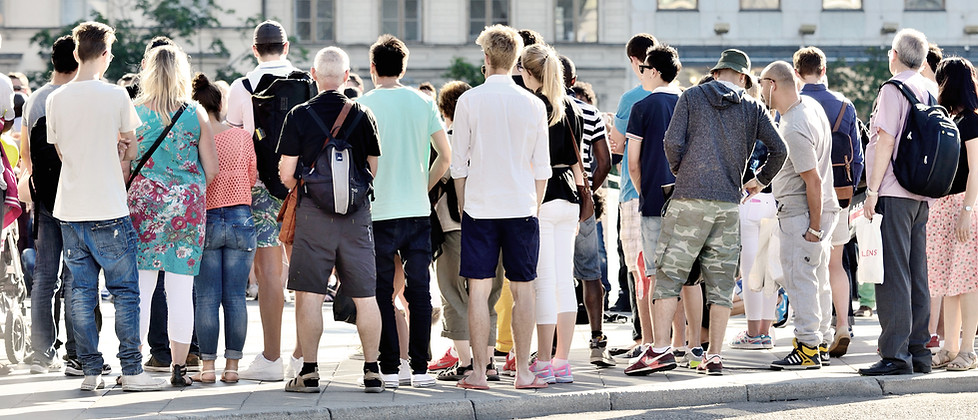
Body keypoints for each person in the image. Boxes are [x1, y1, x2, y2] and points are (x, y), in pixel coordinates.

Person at [641, 49, 786, 376]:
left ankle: (661, 349)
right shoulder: (753, 107)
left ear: (718, 72)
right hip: (728, 203)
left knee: (668, 276)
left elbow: (671, 142)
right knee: (720, 285)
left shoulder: (691, 96)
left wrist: (682, 170)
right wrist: (757, 181)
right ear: (744, 78)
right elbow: (780, 150)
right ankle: (714, 356)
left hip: (688, 199)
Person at [46, 21, 164, 391]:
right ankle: (131, 369)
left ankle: (92, 370)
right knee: (125, 291)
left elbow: (62, 151)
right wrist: (116, 148)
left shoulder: (55, 97)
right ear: (105, 55)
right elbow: (130, 144)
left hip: (70, 207)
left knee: (80, 293)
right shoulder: (115, 96)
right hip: (109, 205)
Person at [277, 46, 385, 393]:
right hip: (356, 217)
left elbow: (287, 172)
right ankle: (372, 370)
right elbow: (373, 169)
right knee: (365, 295)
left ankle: (308, 372)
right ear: (345, 76)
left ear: (313, 75)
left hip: (313, 215)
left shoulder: (298, 114)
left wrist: (311, 190)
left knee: (309, 295)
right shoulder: (363, 113)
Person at [451, 24, 550, 390]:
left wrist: (463, 201)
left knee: (478, 290)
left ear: (487, 59)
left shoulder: (469, 101)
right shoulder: (533, 103)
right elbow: (542, 167)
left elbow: (458, 163)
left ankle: (480, 371)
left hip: (479, 206)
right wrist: (534, 206)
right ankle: (523, 371)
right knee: (525, 289)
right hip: (522, 206)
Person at [355, 34, 449, 388]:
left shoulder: (362, 104)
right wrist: (422, 184)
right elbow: (446, 155)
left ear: (373, 67)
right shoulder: (422, 102)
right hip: (415, 209)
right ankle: (421, 368)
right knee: (419, 290)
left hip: (377, 210)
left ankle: (391, 367)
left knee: (381, 291)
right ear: (405, 67)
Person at [127, 44, 218, 387]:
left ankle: (132, 366)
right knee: (181, 289)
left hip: (144, 206)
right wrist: (186, 186)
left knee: (141, 287)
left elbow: (125, 165)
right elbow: (212, 168)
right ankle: (180, 369)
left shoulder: (134, 112)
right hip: (186, 207)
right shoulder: (195, 113)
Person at [227, 20, 302, 381]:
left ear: (255, 49)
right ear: (286, 47)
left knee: (270, 273)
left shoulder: (242, 87)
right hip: (303, 187)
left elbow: (239, 140)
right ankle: (303, 355)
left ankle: (272, 358)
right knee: (307, 269)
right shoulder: (308, 81)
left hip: (260, 188)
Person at [859, 28, 935, 377]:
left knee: (892, 274)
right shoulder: (928, 88)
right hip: (920, 192)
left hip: (892, 189)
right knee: (917, 272)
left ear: (895, 54)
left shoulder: (893, 89)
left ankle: (895, 354)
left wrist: (871, 190)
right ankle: (920, 351)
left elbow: (885, 140)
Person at [620, 44, 698, 374]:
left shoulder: (642, 106)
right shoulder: (690, 103)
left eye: (643, 70)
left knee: (656, 276)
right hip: (690, 200)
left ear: (652, 71)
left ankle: (659, 347)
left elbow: (633, 162)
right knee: (690, 279)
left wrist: (644, 193)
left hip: (654, 201)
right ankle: (693, 346)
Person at [760, 61, 840, 370]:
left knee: (801, 278)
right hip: (820, 208)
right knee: (816, 278)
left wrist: (814, 229)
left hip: (803, 213)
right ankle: (818, 342)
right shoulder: (811, 106)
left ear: (774, 85)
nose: (761, 90)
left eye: (762, 83)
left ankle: (807, 347)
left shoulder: (793, 125)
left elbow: (812, 180)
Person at [429, 81, 507, 381]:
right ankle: (487, 363)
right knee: (487, 294)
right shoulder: (492, 139)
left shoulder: (447, 141)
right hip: (494, 223)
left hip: (453, 227)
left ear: (445, 110)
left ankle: (464, 364)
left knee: (454, 293)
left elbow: (439, 179)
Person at [518, 43, 584, 384]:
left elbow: (529, 157)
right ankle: (561, 361)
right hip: (569, 196)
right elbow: (577, 160)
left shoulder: (532, 106)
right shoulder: (569, 106)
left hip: (541, 195)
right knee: (563, 282)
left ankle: (543, 359)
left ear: (530, 74)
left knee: (544, 282)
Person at [794, 46, 864, 358]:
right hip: (841, 195)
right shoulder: (844, 105)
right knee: (836, 264)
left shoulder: (796, 105)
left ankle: (817, 335)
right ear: (825, 70)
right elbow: (858, 159)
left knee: (810, 267)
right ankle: (843, 326)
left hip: (807, 199)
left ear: (797, 73)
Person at [191, 73, 258, 383]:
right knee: (234, 297)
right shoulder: (243, 137)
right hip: (240, 219)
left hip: (205, 218)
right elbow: (253, 177)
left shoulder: (195, 139)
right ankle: (232, 368)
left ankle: (207, 367)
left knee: (205, 298)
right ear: (221, 104)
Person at [23, 35, 77, 375]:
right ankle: (76, 353)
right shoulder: (75, 97)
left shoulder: (35, 99)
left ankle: (40, 353)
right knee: (74, 277)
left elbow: (28, 152)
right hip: (75, 196)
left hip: (45, 197)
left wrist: (37, 184)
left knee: (45, 276)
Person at [558, 55, 614, 368]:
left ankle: (551, 343)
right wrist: (589, 188)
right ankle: (597, 339)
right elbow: (604, 160)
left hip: (550, 197)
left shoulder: (543, 106)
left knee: (552, 271)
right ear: (574, 81)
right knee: (590, 272)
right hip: (582, 202)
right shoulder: (590, 111)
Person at [608, 34, 658, 358]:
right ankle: (667, 339)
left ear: (633, 60)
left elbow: (616, 144)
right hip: (667, 193)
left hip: (633, 191)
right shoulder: (676, 96)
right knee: (662, 271)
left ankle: (645, 340)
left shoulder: (631, 98)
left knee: (638, 271)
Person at [927, 57, 978, 372]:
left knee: (968, 281)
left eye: (940, 79)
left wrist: (967, 212)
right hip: (943, 206)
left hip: (963, 205)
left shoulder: (972, 120)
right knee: (946, 281)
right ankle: (950, 347)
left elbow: (977, 169)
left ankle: (968, 350)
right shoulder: (951, 118)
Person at [923, 43, 945, 351]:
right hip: (947, 195)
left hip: (939, 195)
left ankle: (931, 332)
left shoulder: (932, 97)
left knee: (935, 269)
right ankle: (939, 332)